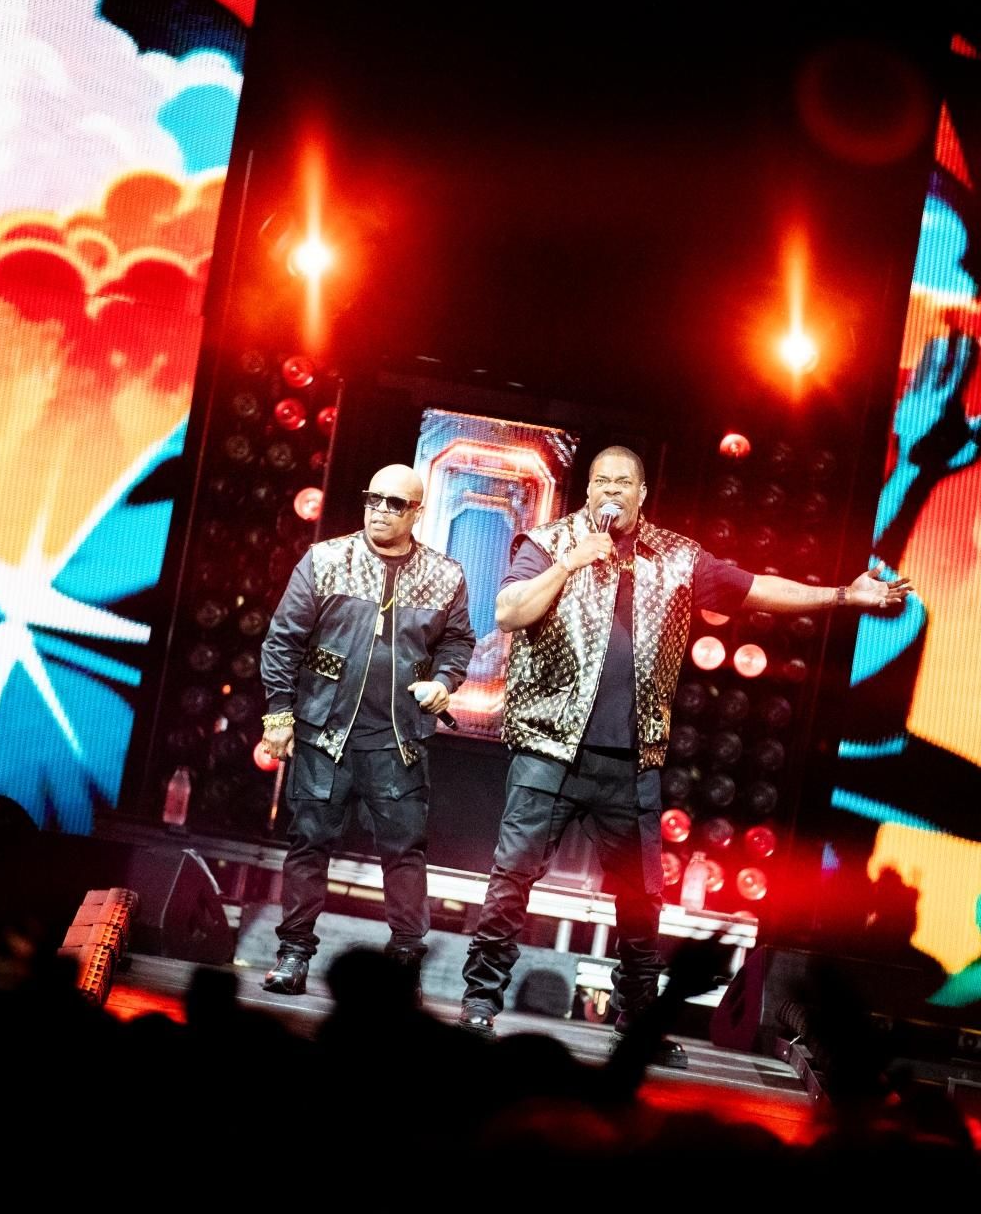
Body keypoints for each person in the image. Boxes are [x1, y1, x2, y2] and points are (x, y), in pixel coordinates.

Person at [458, 446, 908, 1064]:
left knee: (642, 902)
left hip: (630, 762)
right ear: (587, 490)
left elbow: (756, 589)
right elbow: (510, 612)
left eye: (623, 482)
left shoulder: (677, 558)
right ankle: (480, 1003)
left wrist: (842, 597)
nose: (610, 491)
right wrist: (569, 562)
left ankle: (637, 1023)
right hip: (549, 751)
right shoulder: (548, 543)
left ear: (642, 494)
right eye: (601, 482)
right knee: (512, 880)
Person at [258, 464, 475, 995]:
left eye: (394, 503)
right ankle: (293, 955)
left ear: (417, 512)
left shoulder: (444, 574)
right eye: (373, 498)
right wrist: (279, 715)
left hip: (398, 740)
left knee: (405, 852)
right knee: (309, 842)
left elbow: (458, 642)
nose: (380, 510)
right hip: (324, 733)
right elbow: (282, 640)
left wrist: (444, 680)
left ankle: (404, 965)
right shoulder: (326, 559)